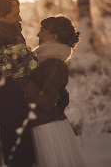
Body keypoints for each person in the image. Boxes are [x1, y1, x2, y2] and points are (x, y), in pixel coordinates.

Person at [0, 0, 69, 166]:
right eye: (15, 15)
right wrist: (53, 98)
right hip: (14, 118)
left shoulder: (13, 39)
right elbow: (23, 80)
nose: (20, 18)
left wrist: (58, 93)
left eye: (19, 13)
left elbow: (33, 76)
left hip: (24, 116)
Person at [25, 15, 86, 167]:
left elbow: (47, 101)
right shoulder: (46, 59)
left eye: (42, 30)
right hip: (43, 124)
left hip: (47, 130)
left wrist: (23, 81)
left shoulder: (53, 63)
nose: (38, 34)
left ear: (54, 35)